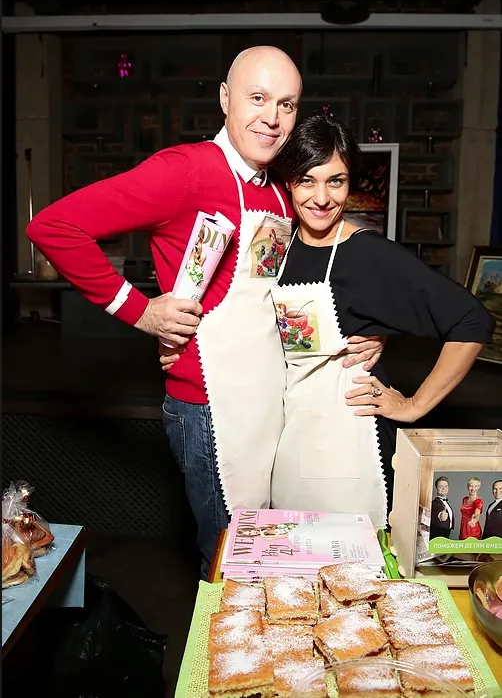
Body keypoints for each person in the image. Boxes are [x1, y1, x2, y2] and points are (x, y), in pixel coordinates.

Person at [26, 47, 383, 579]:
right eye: (257, 98)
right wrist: (141, 312)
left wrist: (355, 336)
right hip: (211, 408)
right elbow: (54, 227)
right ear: (224, 98)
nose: (272, 117)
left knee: (267, 555)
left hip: (270, 402)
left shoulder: (282, 187)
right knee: (230, 565)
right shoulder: (184, 172)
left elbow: (284, 293)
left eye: (287, 104)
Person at [265, 113, 494, 529]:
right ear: (289, 182)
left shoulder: (367, 254)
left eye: (336, 181)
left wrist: (414, 404)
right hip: (291, 436)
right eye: (307, 180)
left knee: (352, 560)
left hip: (347, 445)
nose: (322, 197)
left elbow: (471, 319)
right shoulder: (280, 244)